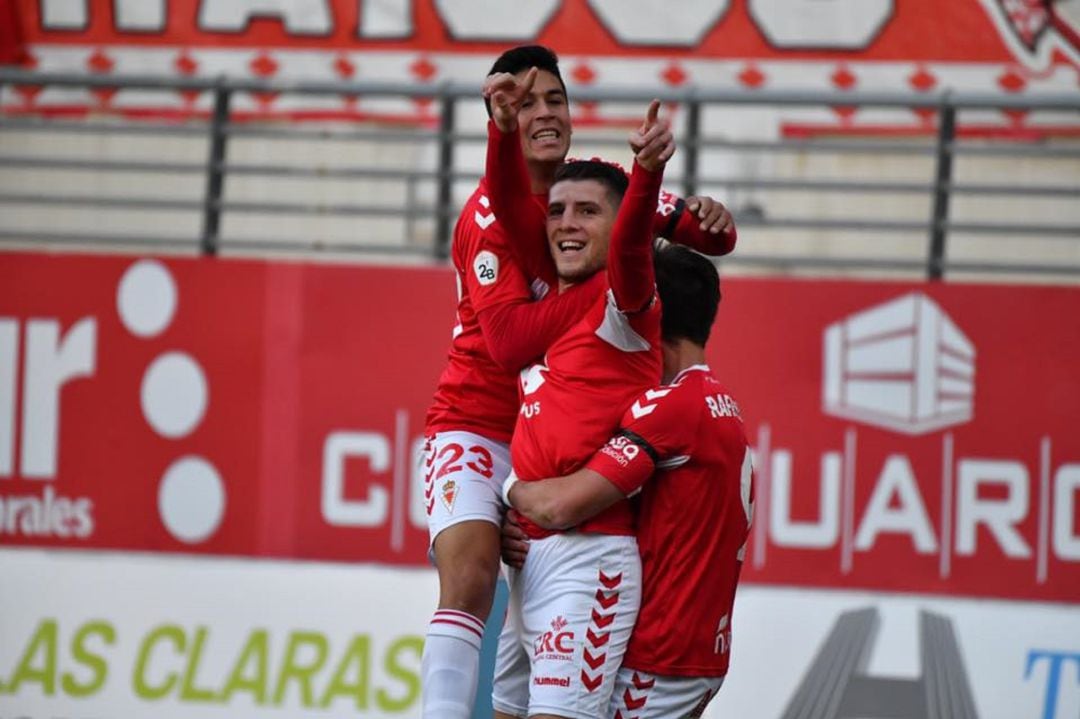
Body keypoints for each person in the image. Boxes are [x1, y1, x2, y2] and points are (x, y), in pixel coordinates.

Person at [422, 45, 738, 719]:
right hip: (477, 423)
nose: (543, 113)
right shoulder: (511, 215)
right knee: (473, 578)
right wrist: (497, 132)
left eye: (554, 99)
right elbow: (508, 342)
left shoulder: (596, 203)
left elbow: (684, 237)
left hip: (574, 530)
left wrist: (701, 209)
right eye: (523, 102)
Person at [483, 95, 676, 718]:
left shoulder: (624, 310)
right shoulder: (547, 310)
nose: (567, 223)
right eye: (559, 211)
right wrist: (502, 129)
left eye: (588, 212)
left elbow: (631, 251)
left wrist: (646, 176)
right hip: (528, 559)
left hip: (589, 561)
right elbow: (512, 206)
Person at [502, 244, 755, 719]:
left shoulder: (669, 407)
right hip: (696, 646)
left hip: (661, 652)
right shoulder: (720, 403)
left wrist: (509, 488)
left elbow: (563, 507)